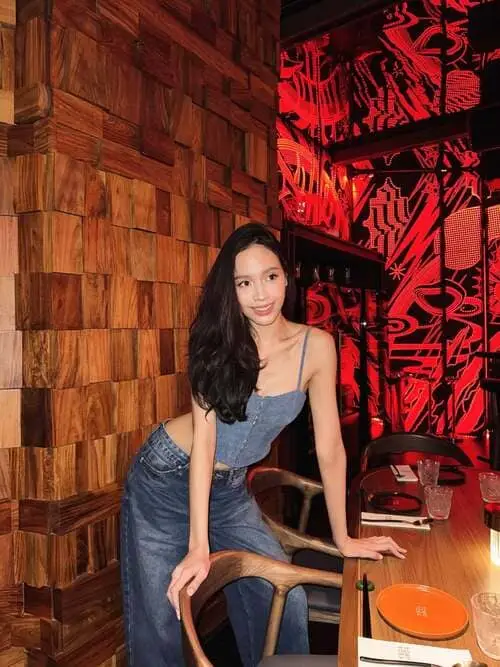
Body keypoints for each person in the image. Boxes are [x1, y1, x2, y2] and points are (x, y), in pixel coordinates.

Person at [120, 222, 405, 667]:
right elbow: (205, 447)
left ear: (286, 277)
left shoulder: (317, 347)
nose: (260, 295)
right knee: (165, 613)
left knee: (282, 597)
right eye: (244, 283)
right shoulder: (215, 344)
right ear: (231, 291)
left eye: (270, 277)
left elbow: (330, 448)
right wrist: (199, 546)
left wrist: (343, 537)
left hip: (230, 488)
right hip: (167, 477)